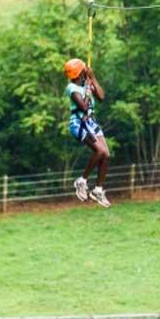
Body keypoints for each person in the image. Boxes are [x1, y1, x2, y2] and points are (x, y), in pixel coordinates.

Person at [64, 58, 111, 208]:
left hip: (91, 123)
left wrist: (93, 79)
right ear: (79, 73)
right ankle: (82, 181)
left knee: (106, 155)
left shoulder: (86, 83)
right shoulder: (72, 88)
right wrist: (88, 90)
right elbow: (84, 107)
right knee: (99, 151)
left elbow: (102, 97)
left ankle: (98, 190)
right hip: (79, 124)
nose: (86, 71)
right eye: (84, 70)